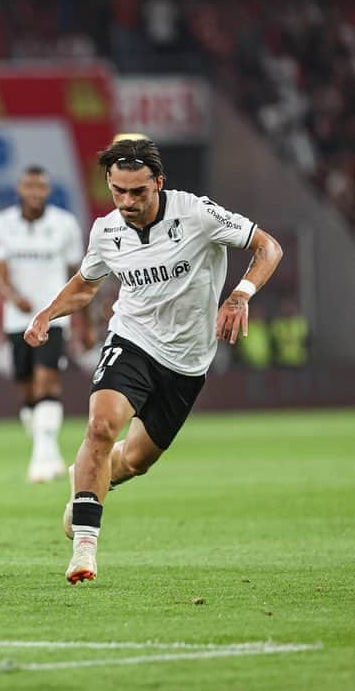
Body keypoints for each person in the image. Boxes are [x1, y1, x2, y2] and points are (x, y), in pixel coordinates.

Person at [24, 138, 283, 584]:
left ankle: (86, 483)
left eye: (137, 192)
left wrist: (241, 294)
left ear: (158, 183)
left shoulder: (199, 213)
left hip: (187, 360)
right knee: (101, 426)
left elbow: (268, 247)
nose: (126, 201)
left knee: (137, 460)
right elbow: (87, 284)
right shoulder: (106, 231)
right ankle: (85, 547)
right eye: (118, 191)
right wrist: (49, 312)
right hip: (132, 339)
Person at [0, 165, 93, 483]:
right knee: (27, 388)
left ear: (47, 191)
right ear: (20, 189)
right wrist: (13, 296)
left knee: (48, 381)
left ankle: (41, 457)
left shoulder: (64, 224)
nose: (35, 193)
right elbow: (0, 271)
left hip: (53, 316)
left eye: (41, 187)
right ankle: (46, 449)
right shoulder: (2, 223)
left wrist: (84, 323)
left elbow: (80, 276)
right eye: (29, 187)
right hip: (17, 319)